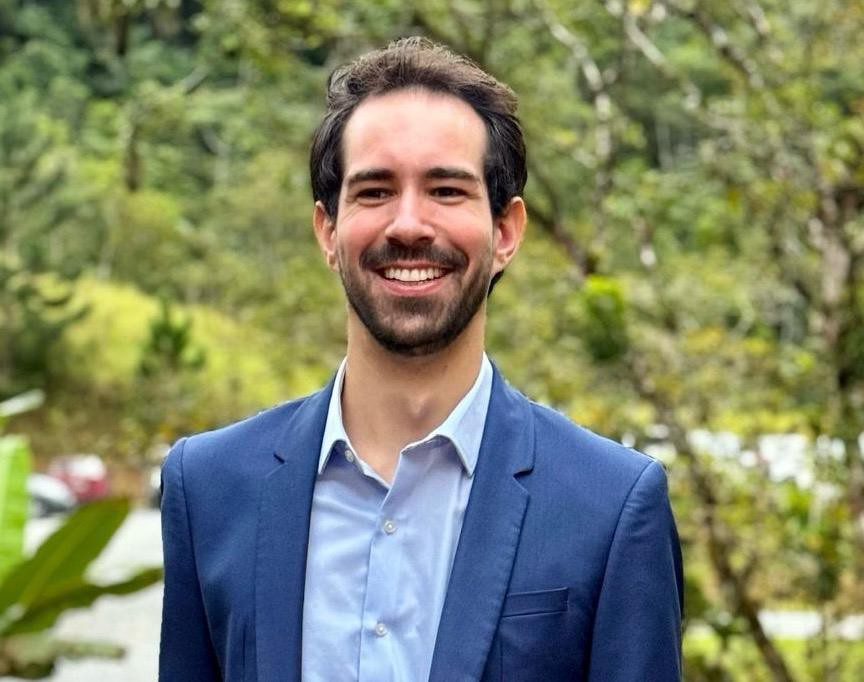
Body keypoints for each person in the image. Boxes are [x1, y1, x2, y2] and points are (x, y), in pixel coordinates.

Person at [159, 37, 683, 682]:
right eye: (375, 191)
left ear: (506, 232)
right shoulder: (209, 487)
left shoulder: (612, 503)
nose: (408, 224)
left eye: (446, 190)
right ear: (328, 230)